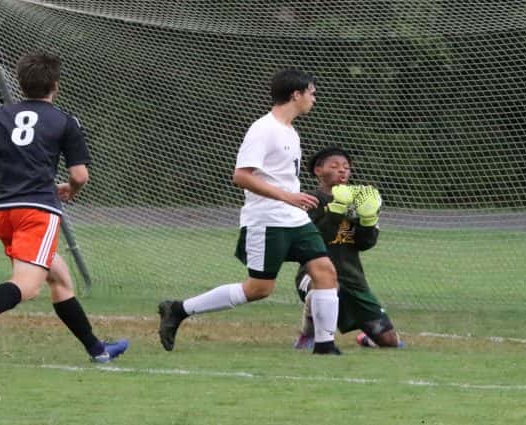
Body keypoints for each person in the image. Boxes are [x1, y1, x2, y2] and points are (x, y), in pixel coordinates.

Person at [0, 52, 128, 364]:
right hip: (37, 213)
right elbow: (80, 175)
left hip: (3, 213)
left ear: (21, 83)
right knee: (27, 286)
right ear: (55, 86)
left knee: (59, 278)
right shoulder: (65, 121)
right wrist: (72, 188)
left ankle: (97, 350)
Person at [158, 69, 342, 355]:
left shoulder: (290, 131)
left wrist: (293, 199)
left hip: (294, 219)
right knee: (259, 288)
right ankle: (179, 309)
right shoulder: (263, 129)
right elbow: (241, 176)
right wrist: (287, 196)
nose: (314, 99)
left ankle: (325, 346)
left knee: (325, 271)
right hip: (267, 220)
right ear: (296, 94)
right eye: (312, 93)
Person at [293, 147, 403, 349]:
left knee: (390, 342)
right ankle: (308, 334)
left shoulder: (361, 199)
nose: (342, 171)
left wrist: (368, 220)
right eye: (334, 166)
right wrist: (335, 212)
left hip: (352, 278)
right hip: (312, 274)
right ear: (318, 171)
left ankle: (366, 337)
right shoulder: (308, 201)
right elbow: (312, 240)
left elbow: (365, 244)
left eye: (346, 167)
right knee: (325, 286)